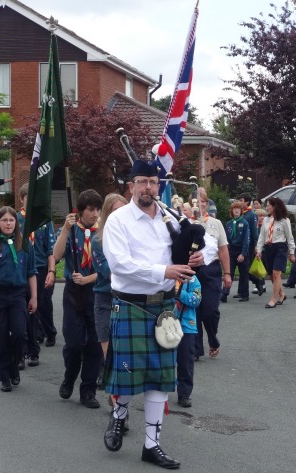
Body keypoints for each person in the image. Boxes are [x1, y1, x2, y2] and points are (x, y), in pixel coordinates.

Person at [102, 159, 215, 469]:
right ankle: (119, 414)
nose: (148, 187)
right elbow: (119, 264)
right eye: (142, 182)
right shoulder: (118, 220)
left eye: (153, 182)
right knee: (126, 374)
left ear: (159, 186)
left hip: (164, 307)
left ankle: (152, 445)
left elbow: (201, 245)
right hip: (130, 304)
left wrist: (198, 254)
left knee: (159, 378)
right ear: (131, 186)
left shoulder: (171, 218)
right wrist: (163, 269)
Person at [53, 189, 104, 408]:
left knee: (94, 344)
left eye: (98, 210)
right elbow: (56, 255)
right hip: (73, 293)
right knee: (73, 343)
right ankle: (69, 376)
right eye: (91, 210)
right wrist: (65, 228)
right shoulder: (72, 229)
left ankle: (88, 390)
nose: (95, 214)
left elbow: (111, 267)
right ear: (81, 211)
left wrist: (90, 279)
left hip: (96, 291)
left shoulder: (104, 233)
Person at [0, 207, 37, 392]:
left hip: (17, 295)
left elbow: (31, 273)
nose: (8, 223)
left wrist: (34, 297)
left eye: (11, 220)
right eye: (4, 220)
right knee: (1, 337)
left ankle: (14, 365)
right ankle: (5, 376)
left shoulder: (25, 244)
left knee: (20, 334)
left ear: (16, 223)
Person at [92, 193, 128, 400]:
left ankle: (118, 400)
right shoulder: (98, 240)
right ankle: (118, 408)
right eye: (115, 211)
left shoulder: (132, 238)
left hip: (126, 301)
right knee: (110, 356)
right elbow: (109, 270)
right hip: (105, 300)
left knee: (123, 357)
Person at [17, 184, 56, 369]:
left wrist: (51, 271)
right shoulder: (15, 220)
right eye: (27, 197)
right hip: (20, 270)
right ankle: (21, 350)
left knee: (35, 309)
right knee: (20, 311)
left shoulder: (44, 221)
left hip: (39, 269)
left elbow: (50, 250)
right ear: (22, 199)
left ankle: (33, 351)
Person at [195, 188, 231, 359]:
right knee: (193, 311)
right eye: (196, 201)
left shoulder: (215, 224)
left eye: (202, 201)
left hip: (211, 270)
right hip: (192, 270)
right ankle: (196, 349)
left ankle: (212, 339)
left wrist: (228, 273)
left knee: (209, 311)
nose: (200, 204)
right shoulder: (186, 221)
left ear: (207, 204)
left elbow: (223, 249)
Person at [256, 197, 295, 308]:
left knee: (276, 273)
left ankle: (273, 299)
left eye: (269, 205)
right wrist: (259, 249)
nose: (267, 207)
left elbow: (290, 237)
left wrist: (292, 252)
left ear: (275, 206)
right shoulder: (266, 220)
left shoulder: (284, 220)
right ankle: (281, 294)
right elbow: (262, 236)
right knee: (272, 275)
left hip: (280, 248)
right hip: (269, 248)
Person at [175, 275, 202, 408]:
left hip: (187, 326)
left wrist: (179, 292)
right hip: (165, 324)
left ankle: (184, 393)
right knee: (163, 360)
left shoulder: (192, 279)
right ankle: (158, 391)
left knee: (185, 361)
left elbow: (196, 300)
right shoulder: (165, 275)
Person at [236, 193, 265, 297]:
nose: (239, 202)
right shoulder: (240, 213)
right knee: (241, 268)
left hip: (249, 245)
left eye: (241, 200)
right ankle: (241, 291)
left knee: (245, 269)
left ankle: (257, 282)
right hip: (240, 244)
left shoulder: (251, 214)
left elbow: (254, 231)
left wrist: (256, 245)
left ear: (247, 202)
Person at [222, 201, 250, 302]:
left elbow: (246, 240)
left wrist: (243, 253)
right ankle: (224, 293)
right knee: (229, 272)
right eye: (234, 209)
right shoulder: (229, 223)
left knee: (244, 274)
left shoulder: (245, 223)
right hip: (232, 250)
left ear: (241, 211)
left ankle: (244, 294)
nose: (236, 210)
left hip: (241, 249)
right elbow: (226, 238)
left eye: (238, 209)